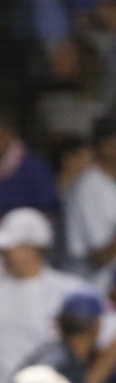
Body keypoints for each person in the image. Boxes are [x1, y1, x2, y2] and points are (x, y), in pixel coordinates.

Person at [0, 207, 92, 383]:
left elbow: (108, 337)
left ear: (34, 249)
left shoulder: (71, 290)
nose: (4, 255)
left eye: (11, 248)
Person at [65, 116, 116, 291]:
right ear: (107, 146)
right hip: (92, 289)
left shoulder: (109, 181)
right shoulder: (89, 187)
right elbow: (100, 256)